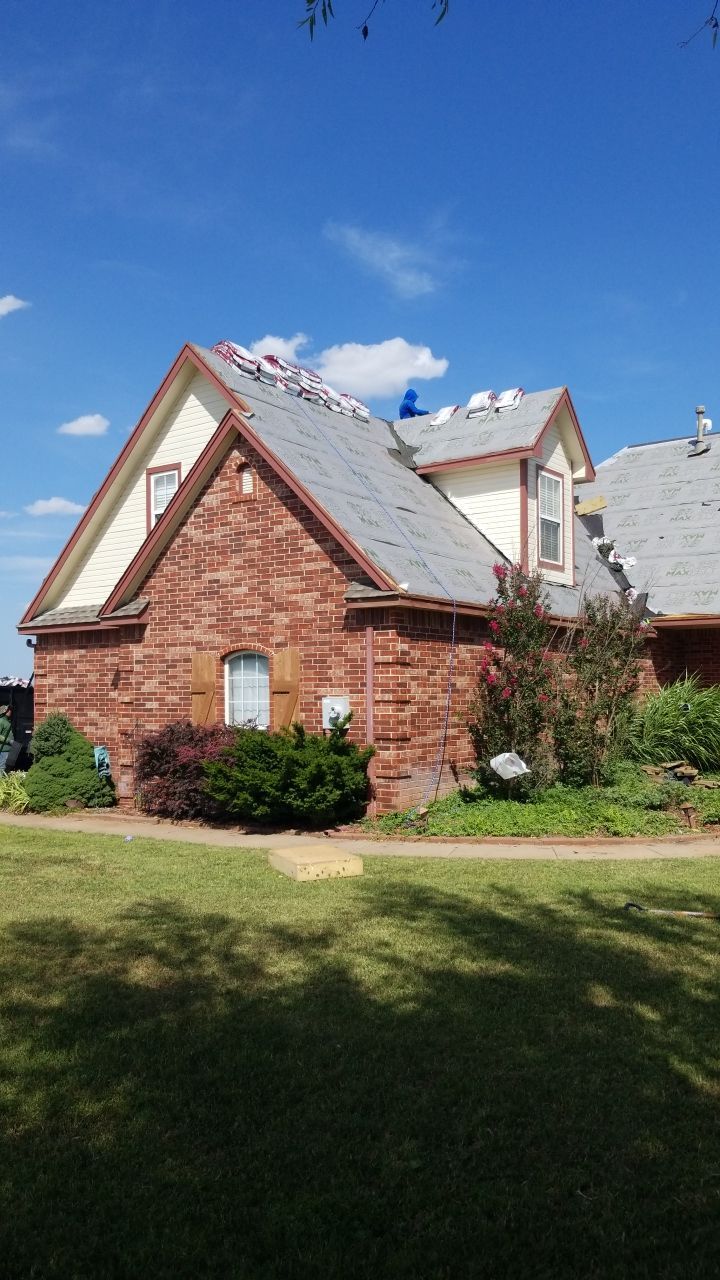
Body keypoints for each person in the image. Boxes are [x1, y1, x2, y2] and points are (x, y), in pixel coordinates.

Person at [0, 705, 13, 774]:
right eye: (8, 710)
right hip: (3, 750)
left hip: (8, 749)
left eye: (10, 709)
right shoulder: (1, 721)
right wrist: (9, 741)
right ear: (4, 711)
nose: (10, 711)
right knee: (2, 767)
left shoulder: (7, 721)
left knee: (6, 768)